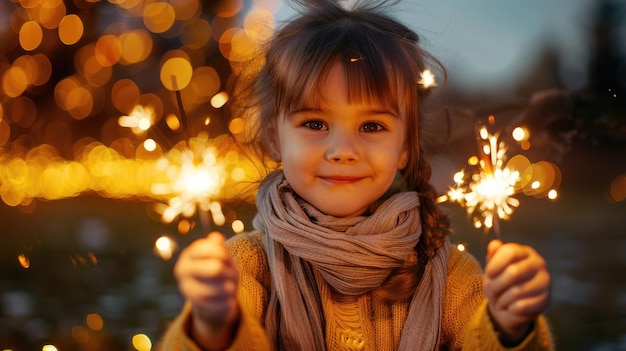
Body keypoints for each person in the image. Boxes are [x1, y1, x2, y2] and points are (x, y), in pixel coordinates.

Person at [158, 0, 554, 350]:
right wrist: (213, 328)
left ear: (404, 148)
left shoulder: (451, 276)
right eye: (314, 124)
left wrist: (509, 329)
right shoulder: (246, 267)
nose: (343, 151)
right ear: (275, 139)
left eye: (371, 127)